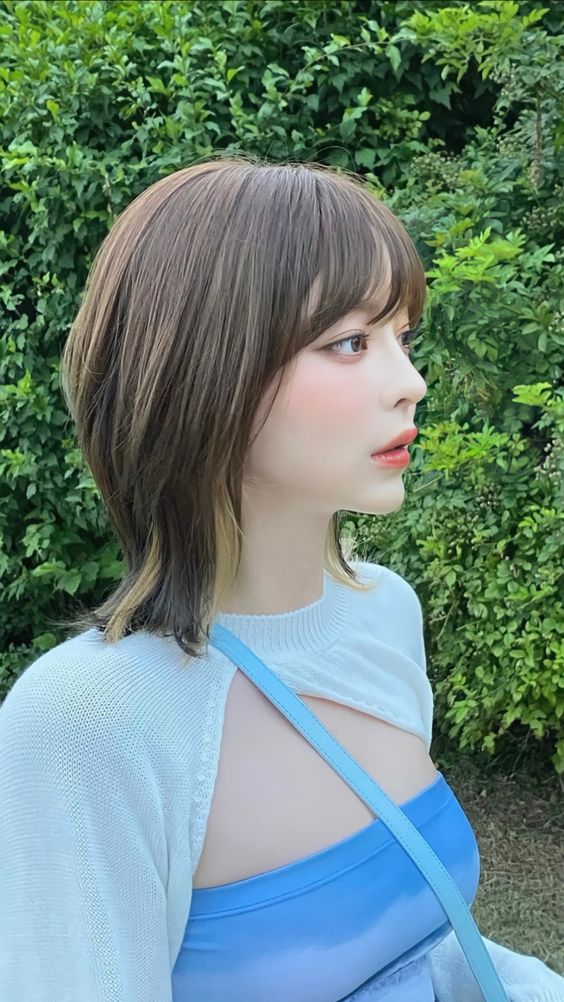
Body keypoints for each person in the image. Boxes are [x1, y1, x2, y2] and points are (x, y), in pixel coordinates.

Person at [0, 156, 562, 1002]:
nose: (410, 384)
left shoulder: (383, 614)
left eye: (402, 338)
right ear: (206, 373)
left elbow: (432, 949)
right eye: (350, 342)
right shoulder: (88, 721)